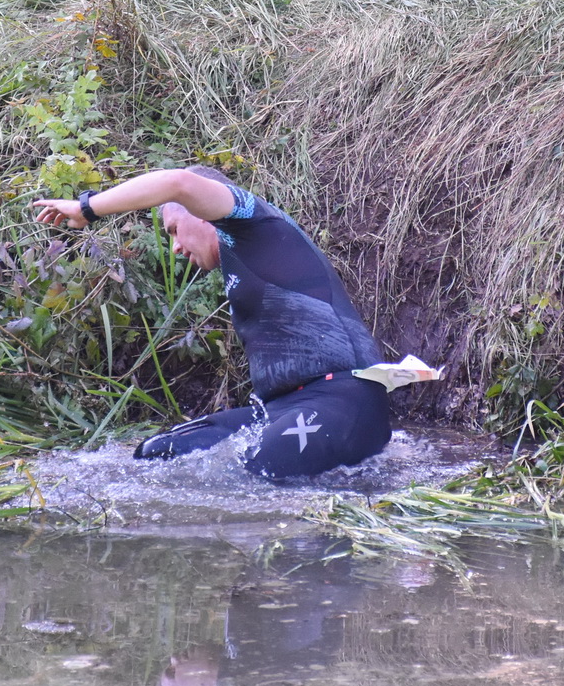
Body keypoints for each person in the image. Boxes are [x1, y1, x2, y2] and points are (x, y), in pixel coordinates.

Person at [31, 166, 393, 479]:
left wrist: (86, 208)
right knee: (158, 452)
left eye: (174, 229)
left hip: (343, 400)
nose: (174, 246)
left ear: (200, 210)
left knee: (258, 475)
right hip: (283, 407)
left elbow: (178, 182)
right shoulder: (241, 254)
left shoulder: (256, 224)